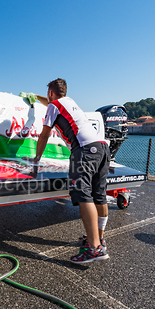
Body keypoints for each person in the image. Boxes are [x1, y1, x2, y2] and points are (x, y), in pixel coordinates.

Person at [25, 78, 110, 264]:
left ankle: (94, 249)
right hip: (102, 148)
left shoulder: (54, 106)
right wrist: (36, 97)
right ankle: (99, 240)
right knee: (99, 195)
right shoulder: (69, 102)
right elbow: (51, 102)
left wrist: (36, 160)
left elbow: (45, 133)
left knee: (83, 195)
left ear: (50, 93)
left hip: (84, 150)